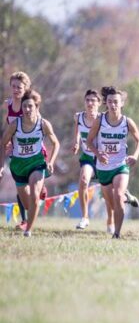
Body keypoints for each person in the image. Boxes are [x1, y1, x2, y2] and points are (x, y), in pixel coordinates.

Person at [0, 89, 60, 237]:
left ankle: (28, 230)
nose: (27, 109)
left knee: (34, 194)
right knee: (28, 204)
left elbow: (55, 143)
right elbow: (2, 144)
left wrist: (51, 162)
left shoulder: (43, 124)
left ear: (36, 107)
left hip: (36, 163)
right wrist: (1, 165)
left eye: (30, 106)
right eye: (24, 106)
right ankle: (31, 213)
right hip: (18, 166)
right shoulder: (15, 125)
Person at [86, 86, 139, 239]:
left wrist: (135, 155)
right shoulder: (100, 120)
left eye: (116, 102)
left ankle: (116, 234)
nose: (113, 105)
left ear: (121, 103)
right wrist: (98, 154)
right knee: (112, 204)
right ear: (106, 103)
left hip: (120, 164)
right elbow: (89, 141)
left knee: (117, 196)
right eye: (110, 102)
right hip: (103, 167)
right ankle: (127, 197)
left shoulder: (127, 122)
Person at [71, 89, 113, 231]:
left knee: (107, 191)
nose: (90, 103)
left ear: (99, 103)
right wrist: (76, 142)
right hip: (88, 157)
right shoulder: (78, 117)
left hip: (103, 158)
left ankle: (110, 221)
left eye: (93, 100)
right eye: (87, 100)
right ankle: (85, 217)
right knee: (83, 181)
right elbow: (77, 129)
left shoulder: (104, 119)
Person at [5, 71, 32, 229]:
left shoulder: (29, 104)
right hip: (16, 151)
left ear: (25, 88)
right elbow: (8, 124)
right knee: (20, 185)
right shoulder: (7, 104)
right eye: (13, 86)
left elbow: (38, 126)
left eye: (19, 87)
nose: (16, 90)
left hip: (32, 150)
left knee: (28, 184)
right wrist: (8, 141)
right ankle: (25, 220)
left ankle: (40, 187)